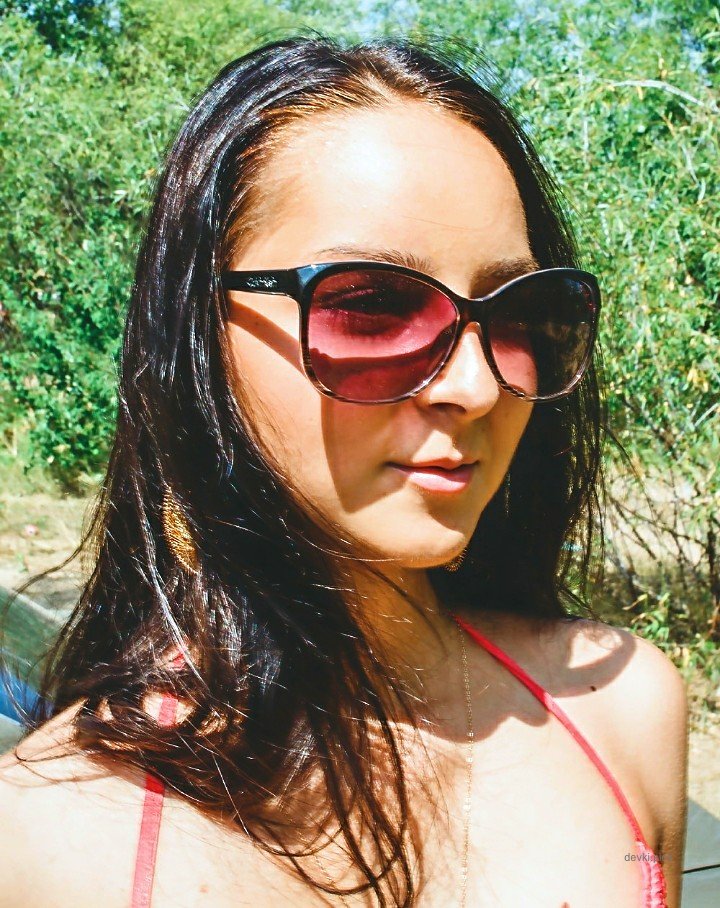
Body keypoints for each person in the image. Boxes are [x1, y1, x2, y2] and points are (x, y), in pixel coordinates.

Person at [0, 34, 688, 907]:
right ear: (199, 339)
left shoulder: (625, 710)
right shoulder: (46, 842)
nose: (476, 387)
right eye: (372, 306)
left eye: (520, 313)